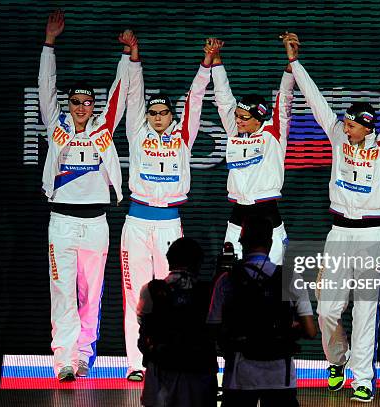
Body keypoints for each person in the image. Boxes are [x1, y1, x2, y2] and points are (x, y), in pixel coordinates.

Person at [283, 32, 380, 402]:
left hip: (372, 235)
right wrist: (295, 63)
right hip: (338, 234)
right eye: (344, 123)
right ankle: (338, 358)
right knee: (328, 308)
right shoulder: (337, 138)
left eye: (351, 125)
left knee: (365, 308)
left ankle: (363, 378)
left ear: (367, 126)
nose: (344, 128)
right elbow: (316, 103)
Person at [118, 31, 216, 381]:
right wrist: (134, 58)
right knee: (136, 294)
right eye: (153, 112)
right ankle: (136, 363)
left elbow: (196, 99)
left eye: (163, 112)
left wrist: (205, 66)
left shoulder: (182, 136)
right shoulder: (136, 133)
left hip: (170, 224)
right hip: (137, 222)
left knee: (175, 293)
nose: (157, 117)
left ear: (171, 115)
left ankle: (172, 353)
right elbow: (132, 97)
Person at [38, 10, 130, 381]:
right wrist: (49, 43)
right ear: (68, 104)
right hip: (61, 222)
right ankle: (62, 360)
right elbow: (46, 86)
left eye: (87, 103)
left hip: (96, 224)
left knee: (91, 296)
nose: (80, 108)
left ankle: (82, 356)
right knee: (62, 293)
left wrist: (127, 56)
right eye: (75, 102)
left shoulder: (103, 130)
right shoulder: (55, 125)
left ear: (93, 107)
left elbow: (120, 96)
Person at [208, 215, 317, 407]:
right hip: (280, 377)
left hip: (239, 377)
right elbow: (310, 331)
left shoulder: (226, 280)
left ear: (242, 242)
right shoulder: (290, 277)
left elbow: (212, 331)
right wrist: (286, 328)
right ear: (270, 242)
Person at [210, 36, 295, 265]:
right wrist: (216, 61)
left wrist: (291, 66)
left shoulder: (273, 132)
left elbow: (285, 100)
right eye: (237, 116)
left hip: (267, 213)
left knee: (273, 275)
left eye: (244, 118)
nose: (238, 121)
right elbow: (224, 100)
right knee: (231, 273)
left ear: (259, 119)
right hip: (239, 213)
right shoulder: (234, 130)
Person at [137, 237, 218, 406]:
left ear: (169, 260)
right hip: (198, 374)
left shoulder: (150, 290)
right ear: (198, 263)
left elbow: (143, 324)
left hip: (161, 373)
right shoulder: (210, 292)